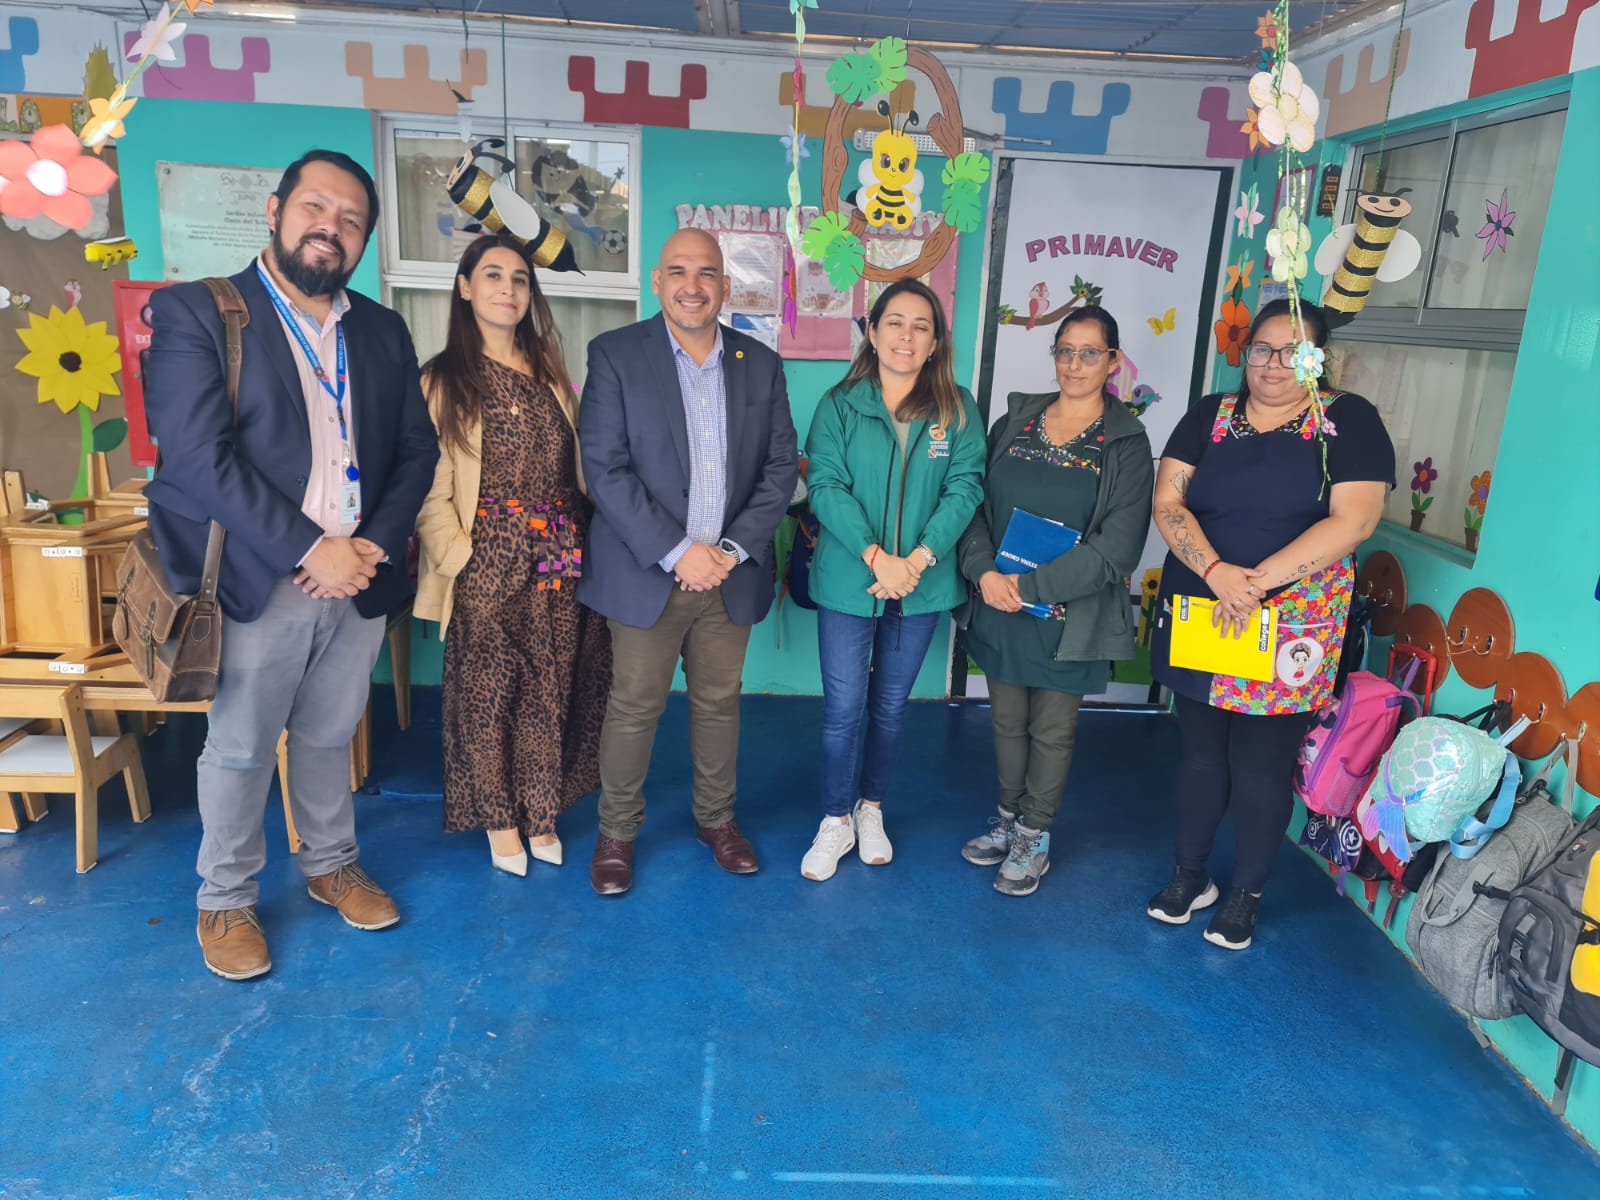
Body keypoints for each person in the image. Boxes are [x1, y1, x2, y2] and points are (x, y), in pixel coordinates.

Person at [143, 149, 439, 981]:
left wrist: (367, 546)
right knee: (239, 748)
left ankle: (329, 865)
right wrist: (314, 550)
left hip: (358, 580)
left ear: (365, 240)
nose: (330, 229)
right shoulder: (201, 314)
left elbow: (416, 450)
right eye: (316, 207)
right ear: (275, 210)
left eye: (351, 220)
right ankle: (225, 900)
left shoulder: (378, 330)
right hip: (256, 580)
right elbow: (199, 459)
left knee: (328, 736)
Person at [1145, 297, 1394, 950]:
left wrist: (1257, 581)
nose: (1275, 364)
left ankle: (1246, 891)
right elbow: (1167, 501)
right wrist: (1218, 572)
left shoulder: (1349, 421)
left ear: (1320, 359)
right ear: (1245, 354)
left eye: (1294, 351)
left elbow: (1355, 520)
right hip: (1206, 607)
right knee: (1200, 754)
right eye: (1262, 349)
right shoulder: (1211, 416)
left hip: (1291, 625)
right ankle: (1188, 874)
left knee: (1260, 765)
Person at [578, 229, 799, 896]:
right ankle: (616, 833)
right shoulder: (616, 355)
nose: (693, 284)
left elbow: (780, 469)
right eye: (679, 270)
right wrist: (679, 552)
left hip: (729, 576)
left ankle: (717, 821)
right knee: (634, 706)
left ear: (726, 287)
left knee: (718, 704)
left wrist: (727, 552)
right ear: (657, 280)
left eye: (707, 272)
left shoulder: (759, 363)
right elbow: (604, 469)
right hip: (649, 572)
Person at [414, 234, 611, 877]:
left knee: (549, 687)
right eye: (492, 276)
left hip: (558, 552)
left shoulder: (551, 371)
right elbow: (427, 488)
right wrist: (459, 557)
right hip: (488, 556)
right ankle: (500, 820)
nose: (508, 289)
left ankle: (540, 809)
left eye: (520, 279)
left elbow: (576, 469)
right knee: (488, 693)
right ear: (465, 287)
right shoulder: (443, 379)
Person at [956, 306, 1154, 895]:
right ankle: (1009, 818)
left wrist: (1030, 588)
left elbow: (1117, 547)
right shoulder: (1015, 421)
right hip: (1000, 602)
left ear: (1113, 361)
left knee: (1052, 729)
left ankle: (1036, 835)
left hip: (1071, 614)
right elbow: (974, 505)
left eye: (1090, 352)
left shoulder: (1126, 443)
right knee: (1008, 720)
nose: (1074, 364)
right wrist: (983, 571)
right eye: (1065, 350)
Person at [799, 280, 985, 882]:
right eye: (895, 322)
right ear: (873, 333)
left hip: (923, 585)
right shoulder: (839, 403)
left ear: (935, 343)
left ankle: (871, 808)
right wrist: (879, 558)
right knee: (842, 711)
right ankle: (835, 820)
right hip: (852, 579)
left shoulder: (957, 408)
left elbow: (966, 488)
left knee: (890, 711)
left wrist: (919, 559)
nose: (906, 335)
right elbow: (825, 486)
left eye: (921, 325)